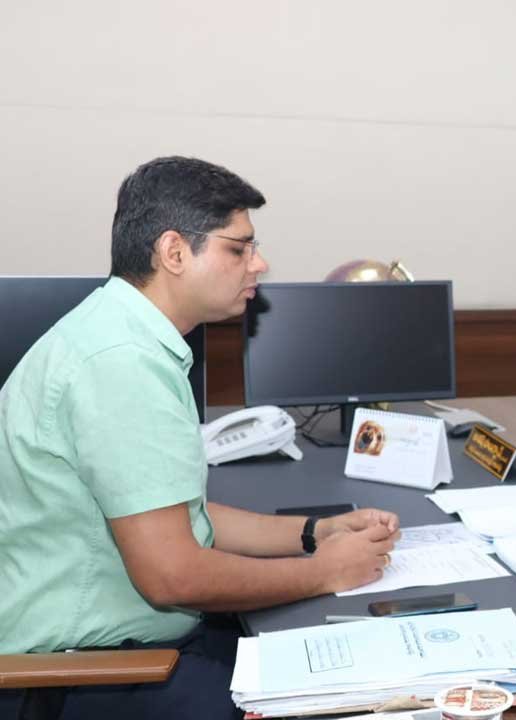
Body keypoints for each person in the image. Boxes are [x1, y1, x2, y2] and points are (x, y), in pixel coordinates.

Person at [0, 157, 401, 718]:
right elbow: (173, 575)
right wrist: (325, 571)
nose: (259, 263)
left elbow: (173, 514)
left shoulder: (115, 334)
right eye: (239, 248)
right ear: (174, 252)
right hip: (87, 674)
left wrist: (315, 532)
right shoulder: (121, 365)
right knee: (353, 698)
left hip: (125, 645)